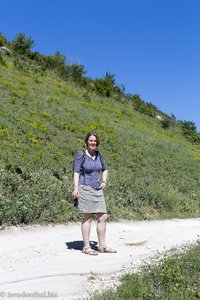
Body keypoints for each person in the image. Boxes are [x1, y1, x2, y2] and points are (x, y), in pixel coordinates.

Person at [72, 131, 117, 255]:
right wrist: (75, 188)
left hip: (97, 189)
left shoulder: (98, 155)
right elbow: (76, 172)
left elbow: (105, 169)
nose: (93, 142)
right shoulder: (81, 155)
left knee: (103, 217)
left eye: (95, 141)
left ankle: (102, 246)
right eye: (91, 140)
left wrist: (104, 181)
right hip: (85, 188)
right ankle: (86, 247)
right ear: (87, 141)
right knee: (88, 217)